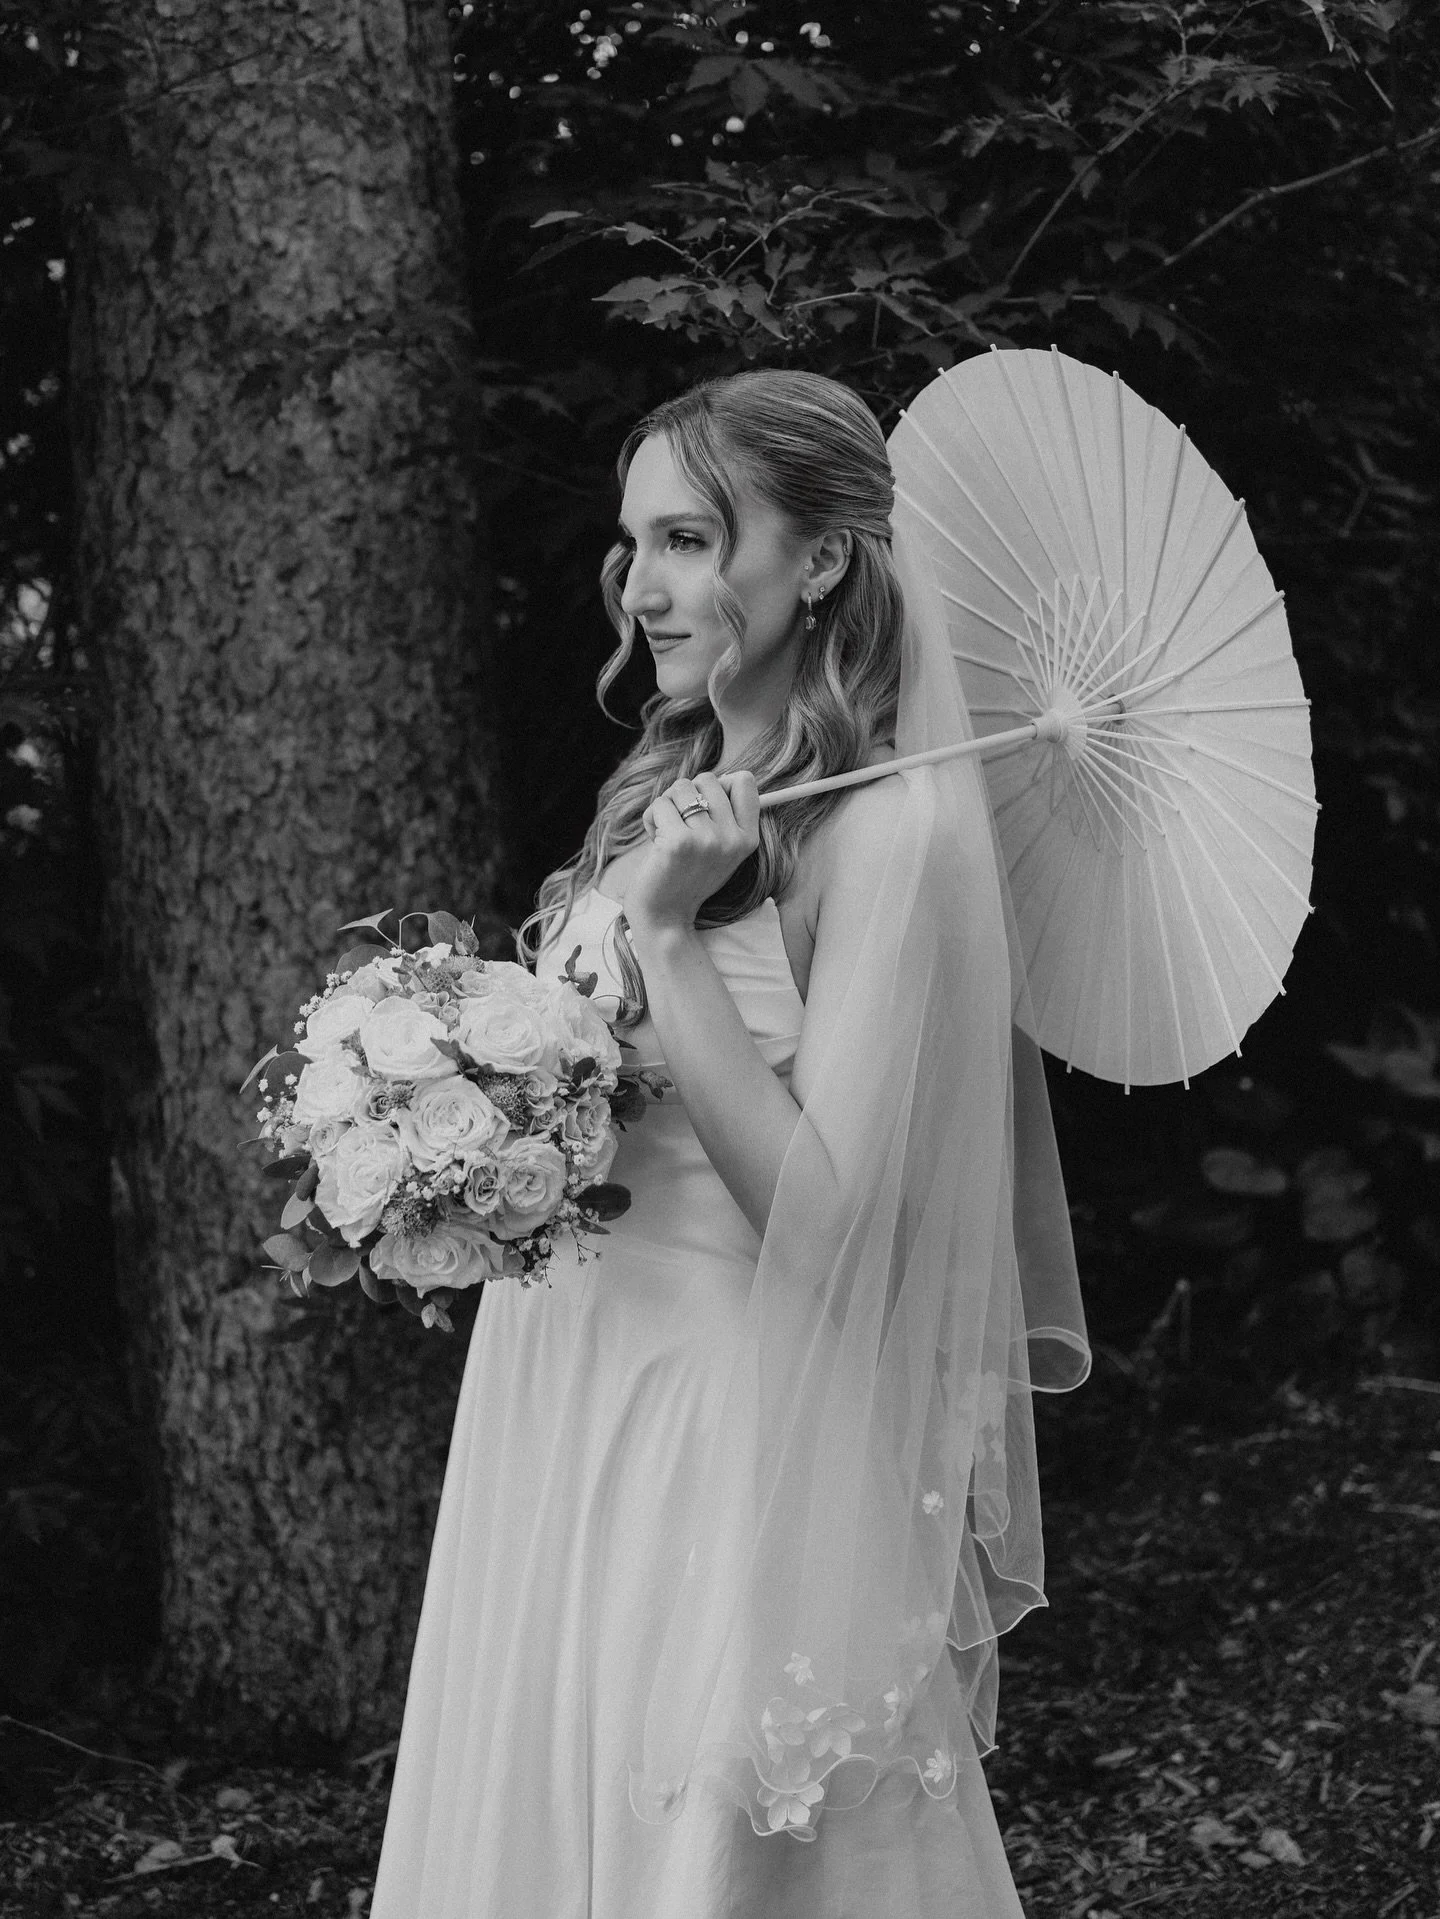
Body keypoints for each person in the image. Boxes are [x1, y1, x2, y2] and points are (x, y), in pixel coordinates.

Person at [370, 369, 1090, 1918]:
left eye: (692, 537)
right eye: (635, 543)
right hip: (561, 1394)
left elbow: (833, 1224)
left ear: (818, 559)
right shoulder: (674, 789)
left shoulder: (894, 833)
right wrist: (443, 1115)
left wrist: (675, 942)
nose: (647, 584)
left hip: (724, 1434)